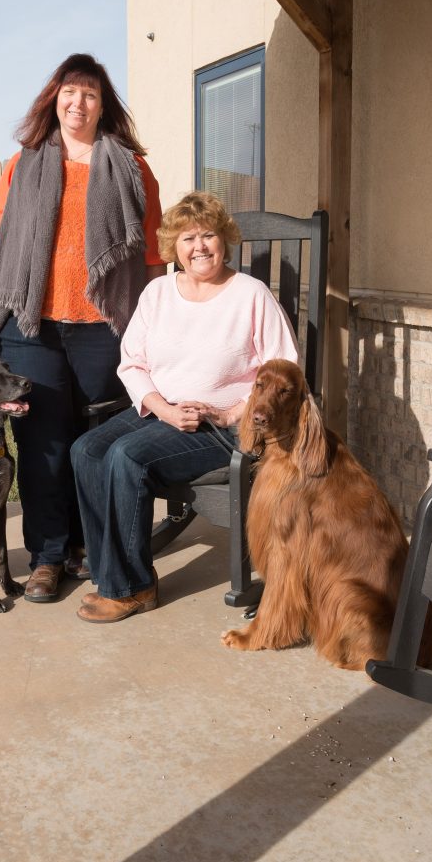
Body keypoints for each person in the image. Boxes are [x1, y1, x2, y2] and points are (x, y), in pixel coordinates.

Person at [0, 53, 164, 603]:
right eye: (70, 93)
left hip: (105, 327)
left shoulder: (131, 167)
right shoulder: (23, 163)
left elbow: (150, 254)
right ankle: (48, 557)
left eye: (91, 94)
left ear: (105, 106)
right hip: (30, 325)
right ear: (54, 99)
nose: (79, 103)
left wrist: (147, 324)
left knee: (95, 442)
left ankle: (89, 545)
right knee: (42, 446)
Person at [70, 190, 299, 624]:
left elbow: (284, 369)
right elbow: (133, 363)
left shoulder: (250, 295)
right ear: (174, 246)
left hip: (222, 424)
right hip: (165, 412)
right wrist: (161, 407)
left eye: (208, 235)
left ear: (224, 241)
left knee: (127, 456)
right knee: (87, 450)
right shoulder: (158, 293)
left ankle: (133, 588)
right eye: (188, 238)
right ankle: (108, 569)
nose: (199, 247)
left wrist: (234, 413)